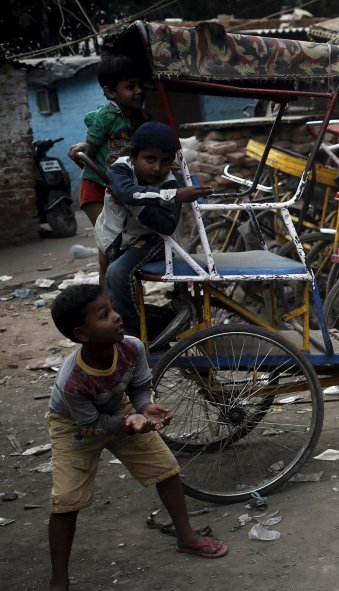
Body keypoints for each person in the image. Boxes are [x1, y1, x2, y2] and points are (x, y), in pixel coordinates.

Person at [47, 284, 227, 590]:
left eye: (113, 309)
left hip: (119, 407)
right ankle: (59, 580)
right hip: (74, 425)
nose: (117, 317)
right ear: (82, 334)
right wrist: (129, 423)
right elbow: (92, 422)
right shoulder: (72, 381)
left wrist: (145, 406)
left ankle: (186, 536)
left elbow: (139, 385)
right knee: (66, 501)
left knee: (165, 468)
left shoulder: (131, 347)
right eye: (105, 315)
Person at [95, 121, 213, 337]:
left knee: (118, 273)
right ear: (133, 156)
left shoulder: (169, 182)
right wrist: (171, 197)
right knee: (108, 295)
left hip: (151, 239)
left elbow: (166, 225)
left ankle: (132, 336)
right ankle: (168, 318)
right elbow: (125, 192)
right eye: (150, 159)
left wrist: (138, 203)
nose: (157, 168)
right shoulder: (120, 169)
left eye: (165, 162)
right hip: (113, 240)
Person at [68, 55, 149, 287]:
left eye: (140, 86)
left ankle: (119, 292)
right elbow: (90, 147)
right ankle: (106, 295)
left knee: (126, 244)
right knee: (110, 244)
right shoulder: (106, 115)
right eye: (130, 87)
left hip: (121, 190)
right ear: (110, 92)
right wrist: (82, 149)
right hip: (96, 188)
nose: (138, 91)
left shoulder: (139, 118)